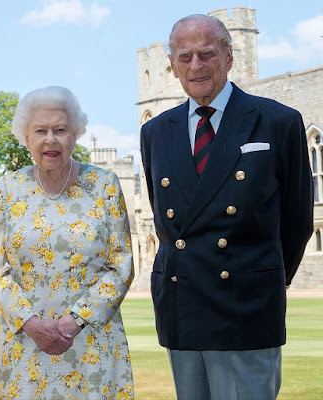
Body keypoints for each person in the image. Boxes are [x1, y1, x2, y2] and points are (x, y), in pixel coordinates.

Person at [140, 14, 313, 400]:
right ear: (172, 65)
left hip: (246, 306)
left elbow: (298, 219)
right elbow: (164, 216)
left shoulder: (277, 121)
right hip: (182, 306)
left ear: (230, 57)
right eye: (185, 57)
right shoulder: (155, 132)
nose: (196, 66)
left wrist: (259, 277)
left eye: (207, 54)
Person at [0, 86, 134, 400]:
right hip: (26, 346)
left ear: (76, 134)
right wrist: (32, 324)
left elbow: (121, 265)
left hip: (91, 342)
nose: (50, 139)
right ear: (26, 137)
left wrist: (75, 320)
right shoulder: (9, 187)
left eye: (60, 129)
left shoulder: (105, 184)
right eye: (40, 130)